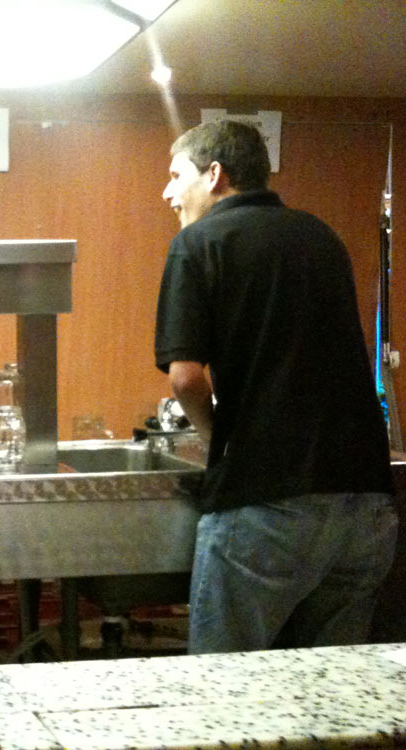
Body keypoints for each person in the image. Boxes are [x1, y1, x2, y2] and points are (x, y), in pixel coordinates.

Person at [154, 119, 398, 654]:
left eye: (175, 176)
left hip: (266, 501)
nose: (168, 193)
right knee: (332, 688)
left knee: (225, 683)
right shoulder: (322, 237)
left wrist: (218, 437)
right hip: (364, 504)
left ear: (215, 174)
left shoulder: (198, 243)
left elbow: (186, 376)